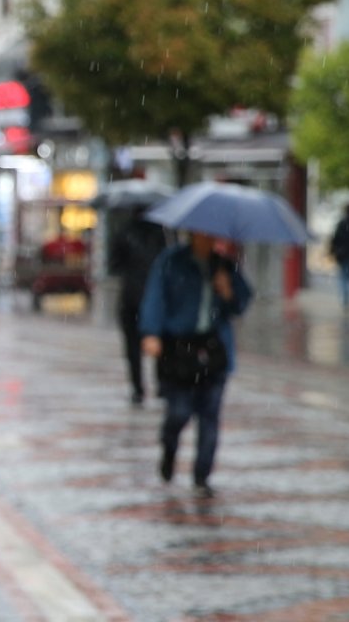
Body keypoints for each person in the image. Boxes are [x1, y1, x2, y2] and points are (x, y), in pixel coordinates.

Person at [139, 230, 252, 498]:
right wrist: (151, 332)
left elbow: (242, 302)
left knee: (209, 416)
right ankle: (169, 448)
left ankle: (202, 476)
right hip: (178, 349)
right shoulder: (170, 261)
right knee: (179, 412)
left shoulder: (224, 265)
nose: (208, 239)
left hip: (213, 349)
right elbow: (155, 298)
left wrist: (227, 292)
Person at [108, 207, 169, 406]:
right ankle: (161, 386)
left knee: (133, 346)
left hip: (132, 297)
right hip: (155, 296)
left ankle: (138, 389)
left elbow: (113, 265)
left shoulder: (125, 232)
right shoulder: (160, 233)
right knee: (159, 341)